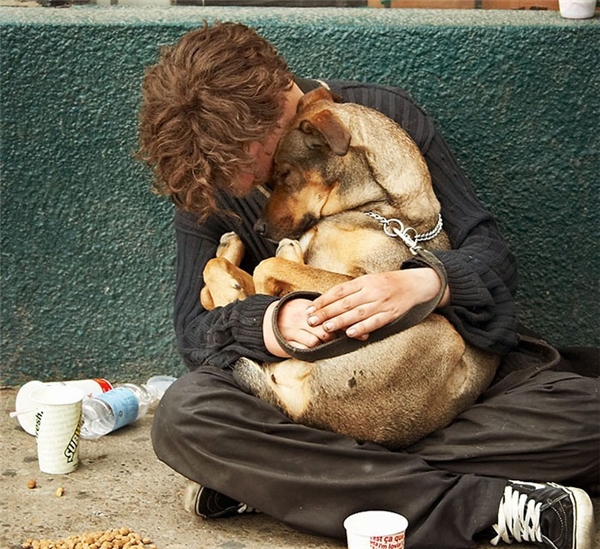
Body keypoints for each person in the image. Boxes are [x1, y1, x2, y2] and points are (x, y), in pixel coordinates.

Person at [138, 22, 599, 549]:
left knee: (591, 419)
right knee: (185, 415)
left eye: (244, 163)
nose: (237, 187)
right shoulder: (208, 175)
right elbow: (194, 334)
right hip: (303, 390)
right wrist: (267, 322)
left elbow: (492, 257)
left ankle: (285, 480)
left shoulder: (380, 121)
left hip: (433, 371)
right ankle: (487, 510)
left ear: (277, 110)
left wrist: (427, 283)